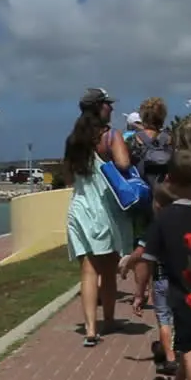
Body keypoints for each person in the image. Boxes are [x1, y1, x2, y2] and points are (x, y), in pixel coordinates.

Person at [137, 150, 191, 380]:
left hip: (184, 291)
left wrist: (139, 293)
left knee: (189, 349)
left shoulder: (165, 219)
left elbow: (148, 258)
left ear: (170, 180)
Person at [64, 87, 134, 347]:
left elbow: (69, 176)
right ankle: (110, 318)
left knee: (88, 270)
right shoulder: (110, 136)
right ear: (99, 107)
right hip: (105, 208)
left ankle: (90, 330)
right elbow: (124, 165)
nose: (112, 108)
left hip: (80, 207)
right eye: (107, 104)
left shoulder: (73, 140)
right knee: (108, 268)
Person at [121, 185, 180, 376]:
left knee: (163, 320)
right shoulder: (184, 222)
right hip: (181, 280)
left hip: (161, 280)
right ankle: (180, 350)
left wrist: (128, 265)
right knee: (179, 318)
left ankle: (170, 358)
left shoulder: (155, 227)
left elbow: (142, 255)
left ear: (157, 205)